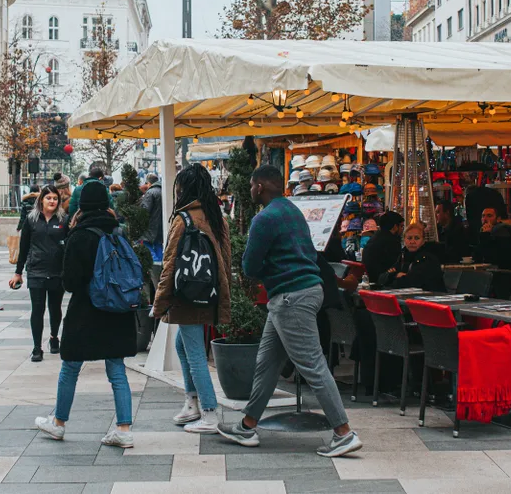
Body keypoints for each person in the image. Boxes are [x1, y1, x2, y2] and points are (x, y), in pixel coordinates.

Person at [218, 165, 362, 458]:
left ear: (259, 186)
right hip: (304, 291)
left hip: (289, 297)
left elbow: (249, 267)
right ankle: (247, 426)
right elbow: (309, 253)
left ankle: (344, 433)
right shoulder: (293, 211)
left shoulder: (264, 218)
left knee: (312, 365)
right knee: (267, 362)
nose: (249, 190)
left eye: (250, 185)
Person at [34, 181, 138, 449]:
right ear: (106, 202)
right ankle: (124, 429)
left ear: (82, 204)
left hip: (86, 311)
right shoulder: (118, 231)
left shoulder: (80, 235)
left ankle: (58, 423)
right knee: (117, 370)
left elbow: (70, 282)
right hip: (117, 309)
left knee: (70, 367)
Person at [151, 165, 233, 434]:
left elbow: (169, 264)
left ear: (183, 188)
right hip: (208, 291)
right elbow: (226, 258)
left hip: (187, 294)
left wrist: (159, 302)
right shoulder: (215, 215)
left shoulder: (183, 218)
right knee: (184, 345)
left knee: (195, 352)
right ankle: (192, 402)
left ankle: (208, 412)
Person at [12, 186, 67, 361]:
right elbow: (24, 246)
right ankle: (37, 347)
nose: (52, 201)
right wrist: (18, 272)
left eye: (55, 198)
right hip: (36, 270)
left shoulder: (64, 220)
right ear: (41, 200)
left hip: (57, 271)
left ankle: (53, 336)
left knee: (55, 308)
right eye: (48, 198)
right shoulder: (31, 219)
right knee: (37, 309)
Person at [375, 222, 445, 292]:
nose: (412, 241)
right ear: (404, 239)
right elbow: (381, 278)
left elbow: (412, 282)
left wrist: (396, 277)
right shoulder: (403, 256)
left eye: (417, 238)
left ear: (423, 241)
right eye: (409, 238)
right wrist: (395, 275)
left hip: (431, 298)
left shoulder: (428, 258)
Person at [475, 206, 511, 271]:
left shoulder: (503, 229)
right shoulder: (485, 231)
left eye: (489, 216)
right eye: (483, 216)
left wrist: (485, 235)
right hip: (493, 271)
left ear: (498, 219)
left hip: (507, 273)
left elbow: (492, 257)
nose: (485, 219)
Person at [361, 211, 404, 281]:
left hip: (370, 278)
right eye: (401, 226)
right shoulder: (392, 242)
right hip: (380, 281)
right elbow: (395, 267)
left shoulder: (376, 237)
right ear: (395, 227)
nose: (402, 230)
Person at [433, 199, 471, 264]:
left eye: (438, 212)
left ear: (447, 213)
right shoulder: (437, 229)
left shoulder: (459, 230)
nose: (436, 215)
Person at [140, 173, 164, 260]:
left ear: (149, 183)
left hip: (150, 225)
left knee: (146, 244)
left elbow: (144, 210)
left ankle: (155, 265)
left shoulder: (150, 192)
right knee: (158, 246)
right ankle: (161, 265)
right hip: (161, 225)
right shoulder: (163, 191)